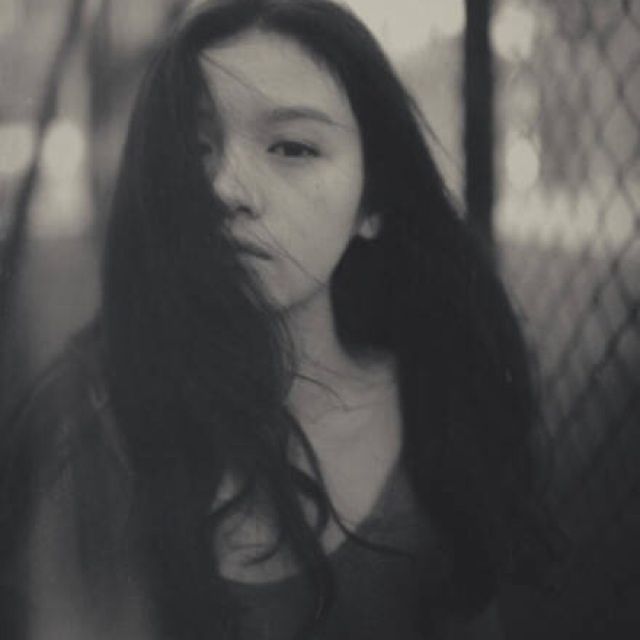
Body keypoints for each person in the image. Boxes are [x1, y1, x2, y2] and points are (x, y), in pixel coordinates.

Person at [0, 0, 553, 638]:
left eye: (292, 147)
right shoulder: (94, 427)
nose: (225, 188)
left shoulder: (441, 397)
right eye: (195, 149)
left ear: (372, 199)